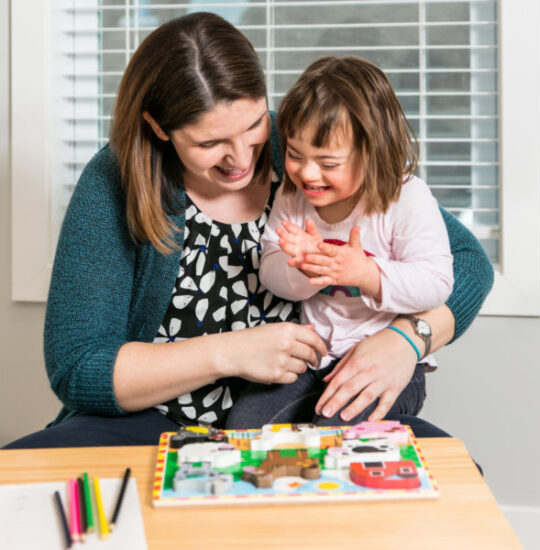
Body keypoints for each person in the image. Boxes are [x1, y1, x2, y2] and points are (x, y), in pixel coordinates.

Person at [4, 12, 493, 449]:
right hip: (151, 422)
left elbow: (467, 265)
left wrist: (408, 340)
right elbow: (79, 365)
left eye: (255, 124)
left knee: (449, 474)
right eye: (211, 142)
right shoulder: (115, 179)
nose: (241, 158)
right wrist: (230, 353)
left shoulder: (302, 150)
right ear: (158, 126)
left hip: (300, 416)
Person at [225, 56, 454, 428]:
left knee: (335, 434)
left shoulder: (406, 198)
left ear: (373, 152)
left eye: (328, 164)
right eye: (296, 155)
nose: (307, 174)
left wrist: (366, 274)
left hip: (386, 363)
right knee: (244, 429)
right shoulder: (293, 194)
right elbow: (269, 270)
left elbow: (436, 284)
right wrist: (298, 268)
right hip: (314, 357)